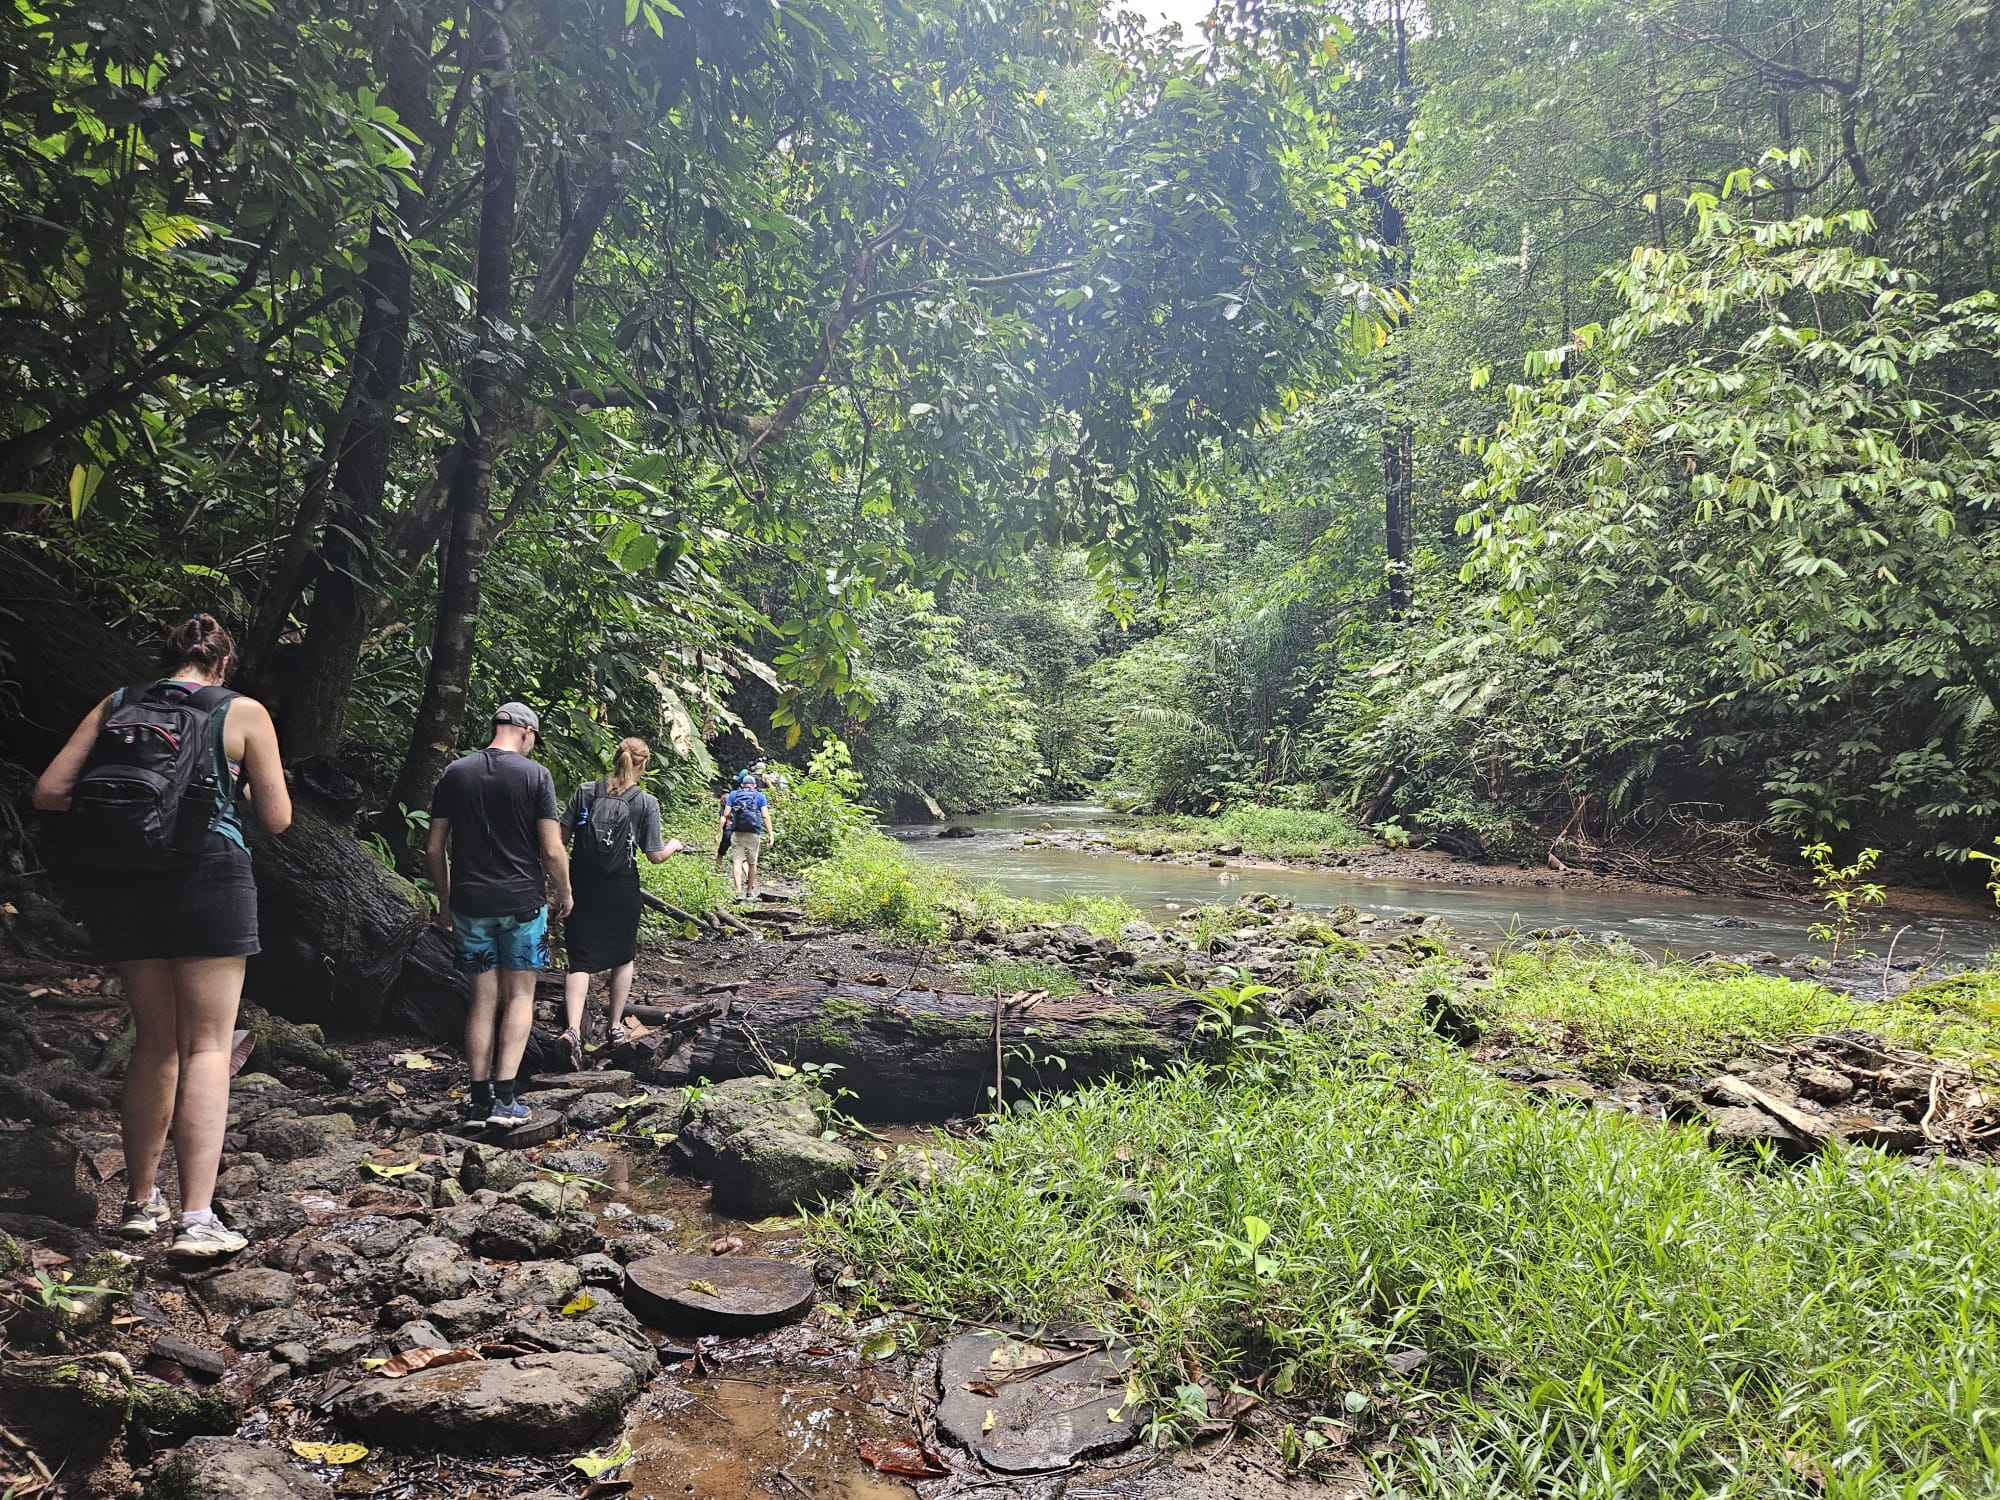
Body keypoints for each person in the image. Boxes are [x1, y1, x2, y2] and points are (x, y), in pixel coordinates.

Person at [32, 614, 292, 1259]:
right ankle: (197, 1219)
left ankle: (139, 1202)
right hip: (209, 874)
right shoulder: (242, 711)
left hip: (124, 880)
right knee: (207, 1046)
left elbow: (50, 792)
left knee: (154, 1041)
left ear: (166, 657)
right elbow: (276, 818)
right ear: (223, 664)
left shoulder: (118, 703)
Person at [427, 701, 571, 1129]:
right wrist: (565, 890)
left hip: (470, 904)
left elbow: (434, 847)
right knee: (521, 995)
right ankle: (505, 1100)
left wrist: (445, 899)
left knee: (482, 998)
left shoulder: (456, 772)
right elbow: (551, 849)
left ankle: (478, 1100)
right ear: (526, 732)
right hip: (522, 903)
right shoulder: (535, 776)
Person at [558, 737, 683, 1066]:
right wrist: (673, 845)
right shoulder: (645, 802)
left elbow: (560, 840)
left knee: (579, 960)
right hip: (621, 885)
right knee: (623, 956)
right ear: (644, 764)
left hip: (582, 882)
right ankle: (614, 1027)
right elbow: (654, 855)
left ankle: (573, 1030)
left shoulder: (586, 791)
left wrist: (558, 883)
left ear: (615, 758)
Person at [720, 770, 776, 900]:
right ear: (755, 786)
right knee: (752, 863)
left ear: (741, 785)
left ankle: (738, 892)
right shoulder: (760, 796)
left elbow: (726, 813)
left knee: (737, 862)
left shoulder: (734, 794)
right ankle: (749, 892)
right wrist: (771, 834)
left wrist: (735, 816)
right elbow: (765, 816)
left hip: (737, 832)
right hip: (754, 833)